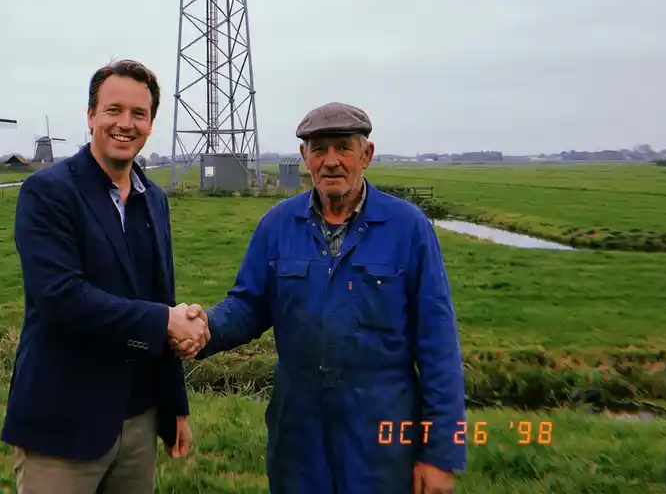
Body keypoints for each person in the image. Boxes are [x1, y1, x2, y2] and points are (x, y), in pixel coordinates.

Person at [173, 102, 467, 493]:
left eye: (343, 147)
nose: (331, 161)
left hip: (382, 440)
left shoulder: (408, 227)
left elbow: (439, 347)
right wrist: (204, 327)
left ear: (367, 155)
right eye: (319, 149)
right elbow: (248, 304)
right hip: (298, 436)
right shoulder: (278, 224)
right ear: (304, 157)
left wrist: (441, 455)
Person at [1, 59, 209, 494]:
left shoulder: (154, 199)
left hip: (137, 420)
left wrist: (174, 406)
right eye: (113, 110)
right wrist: (164, 322)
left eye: (139, 114)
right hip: (63, 423)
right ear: (91, 115)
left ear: (151, 123)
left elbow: (162, 297)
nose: (125, 124)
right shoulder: (49, 192)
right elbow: (61, 297)